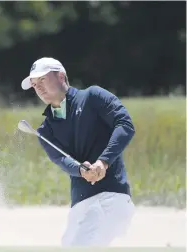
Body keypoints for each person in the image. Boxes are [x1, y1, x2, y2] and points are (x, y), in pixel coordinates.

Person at [20, 57, 136, 247]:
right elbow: (61, 160)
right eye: (34, 84)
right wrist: (82, 170)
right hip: (80, 205)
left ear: (61, 76)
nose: (38, 87)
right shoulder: (45, 130)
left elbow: (125, 124)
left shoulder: (93, 97)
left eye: (42, 80)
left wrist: (103, 162)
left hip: (112, 197)